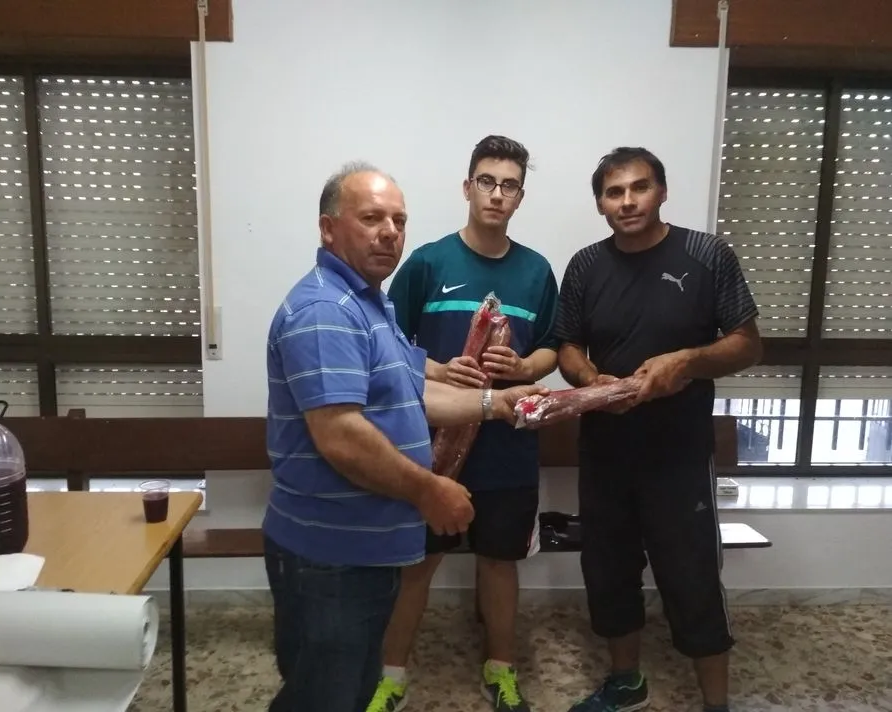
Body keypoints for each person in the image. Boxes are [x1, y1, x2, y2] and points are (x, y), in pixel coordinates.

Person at [262, 161, 547, 712]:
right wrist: (428, 489)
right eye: (371, 218)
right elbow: (341, 434)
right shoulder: (325, 311)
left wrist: (496, 404)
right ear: (328, 229)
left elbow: (411, 391)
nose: (389, 232)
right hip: (331, 556)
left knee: (350, 685)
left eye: (399, 220)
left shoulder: (370, 303)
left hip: (363, 547)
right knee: (324, 694)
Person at [552, 146, 762, 712]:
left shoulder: (708, 254)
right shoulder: (585, 265)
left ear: (662, 192)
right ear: (600, 203)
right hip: (605, 451)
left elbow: (748, 344)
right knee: (608, 571)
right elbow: (567, 345)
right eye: (614, 192)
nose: (627, 202)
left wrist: (687, 361)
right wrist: (591, 379)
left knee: (692, 578)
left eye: (639, 187)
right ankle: (627, 684)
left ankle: (716, 703)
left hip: (680, 455)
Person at [367, 136, 560, 712]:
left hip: (507, 449)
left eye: (509, 185)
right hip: (430, 447)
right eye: (487, 181)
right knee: (418, 563)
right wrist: (438, 369)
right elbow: (388, 342)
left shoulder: (536, 271)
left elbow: (552, 347)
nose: (497, 194)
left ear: (520, 196)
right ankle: (390, 677)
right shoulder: (428, 263)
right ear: (467, 187)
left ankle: (501, 670)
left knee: (499, 562)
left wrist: (524, 367)